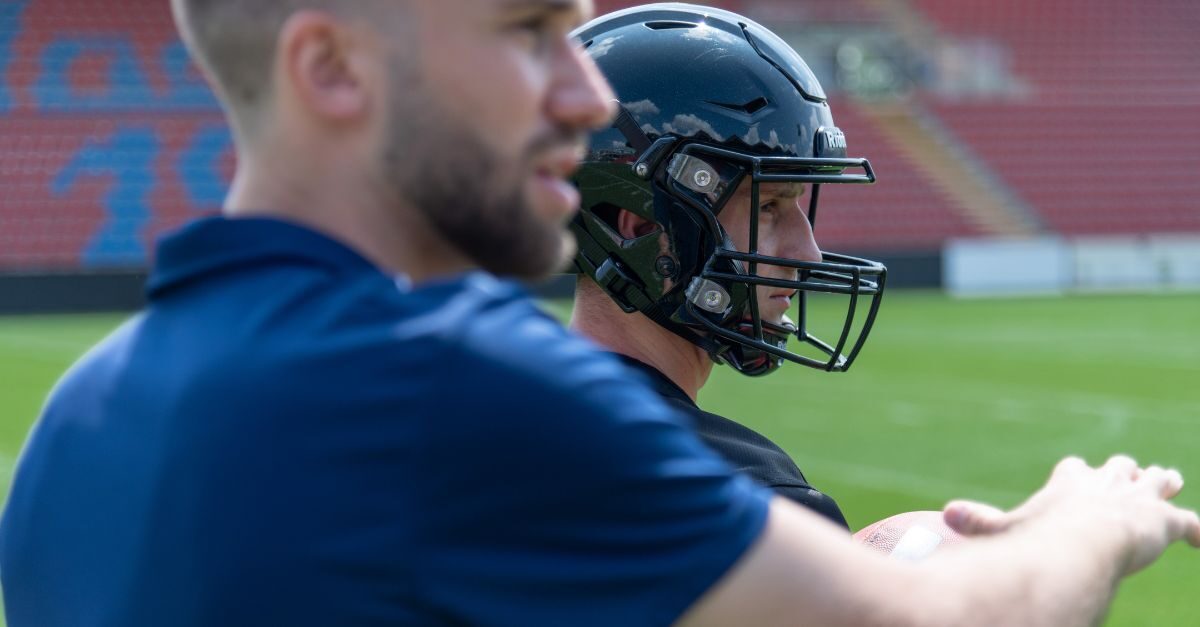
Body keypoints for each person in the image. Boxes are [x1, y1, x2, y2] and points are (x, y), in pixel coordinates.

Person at [0, 1, 1196, 626]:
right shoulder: (453, 388)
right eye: (528, 32)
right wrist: (1089, 527)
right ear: (331, 70)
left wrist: (844, 558)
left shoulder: (82, 419)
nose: (580, 97)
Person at [568, 4, 887, 529]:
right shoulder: (738, 495)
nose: (807, 255)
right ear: (643, 229)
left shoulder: (470, 423)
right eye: (769, 207)